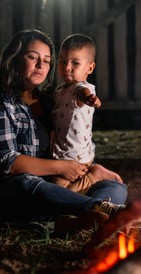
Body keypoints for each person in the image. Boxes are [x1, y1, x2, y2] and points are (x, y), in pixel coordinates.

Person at [0, 29, 128, 224]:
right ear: (14, 59)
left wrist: (85, 169)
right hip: (13, 187)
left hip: (56, 185)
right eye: (33, 57)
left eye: (47, 60)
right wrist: (62, 167)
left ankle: (72, 219)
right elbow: (7, 162)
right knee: (29, 184)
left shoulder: (51, 102)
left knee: (116, 188)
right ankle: (96, 211)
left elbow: (69, 142)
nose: (41, 65)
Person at [51, 33, 121, 194]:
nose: (67, 67)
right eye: (62, 62)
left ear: (89, 68)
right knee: (58, 192)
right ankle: (92, 174)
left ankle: (93, 176)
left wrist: (89, 98)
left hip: (74, 157)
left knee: (59, 194)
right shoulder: (60, 90)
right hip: (67, 152)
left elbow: (82, 92)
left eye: (75, 63)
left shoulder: (81, 87)